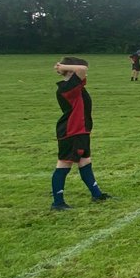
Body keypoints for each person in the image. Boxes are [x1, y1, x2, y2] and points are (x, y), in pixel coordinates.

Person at [51, 57, 113, 210]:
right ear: (72, 71)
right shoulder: (67, 87)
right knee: (64, 163)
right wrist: (62, 66)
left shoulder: (75, 85)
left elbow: (82, 71)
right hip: (72, 131)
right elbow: (82, 70)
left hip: (81, 131)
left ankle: (96, 194)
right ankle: (58, 203)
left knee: (85, 160)